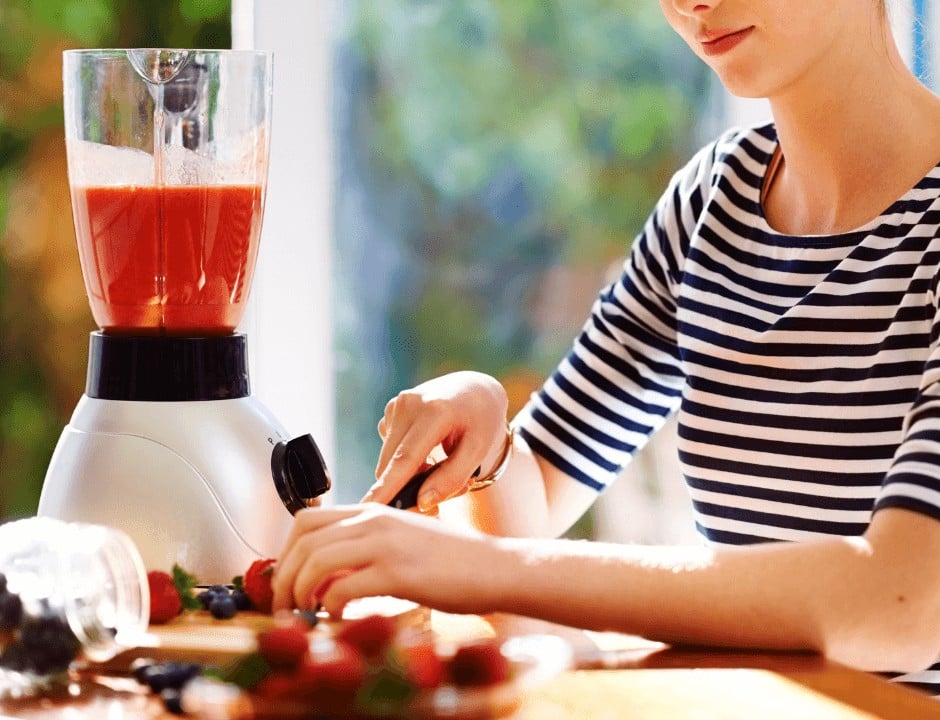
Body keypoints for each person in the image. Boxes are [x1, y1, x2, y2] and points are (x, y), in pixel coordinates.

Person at [272, 0, 940, 694]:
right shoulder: (714, 201)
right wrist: (486, 430)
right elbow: (541, 489)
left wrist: (479, 568)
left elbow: (907, 603)